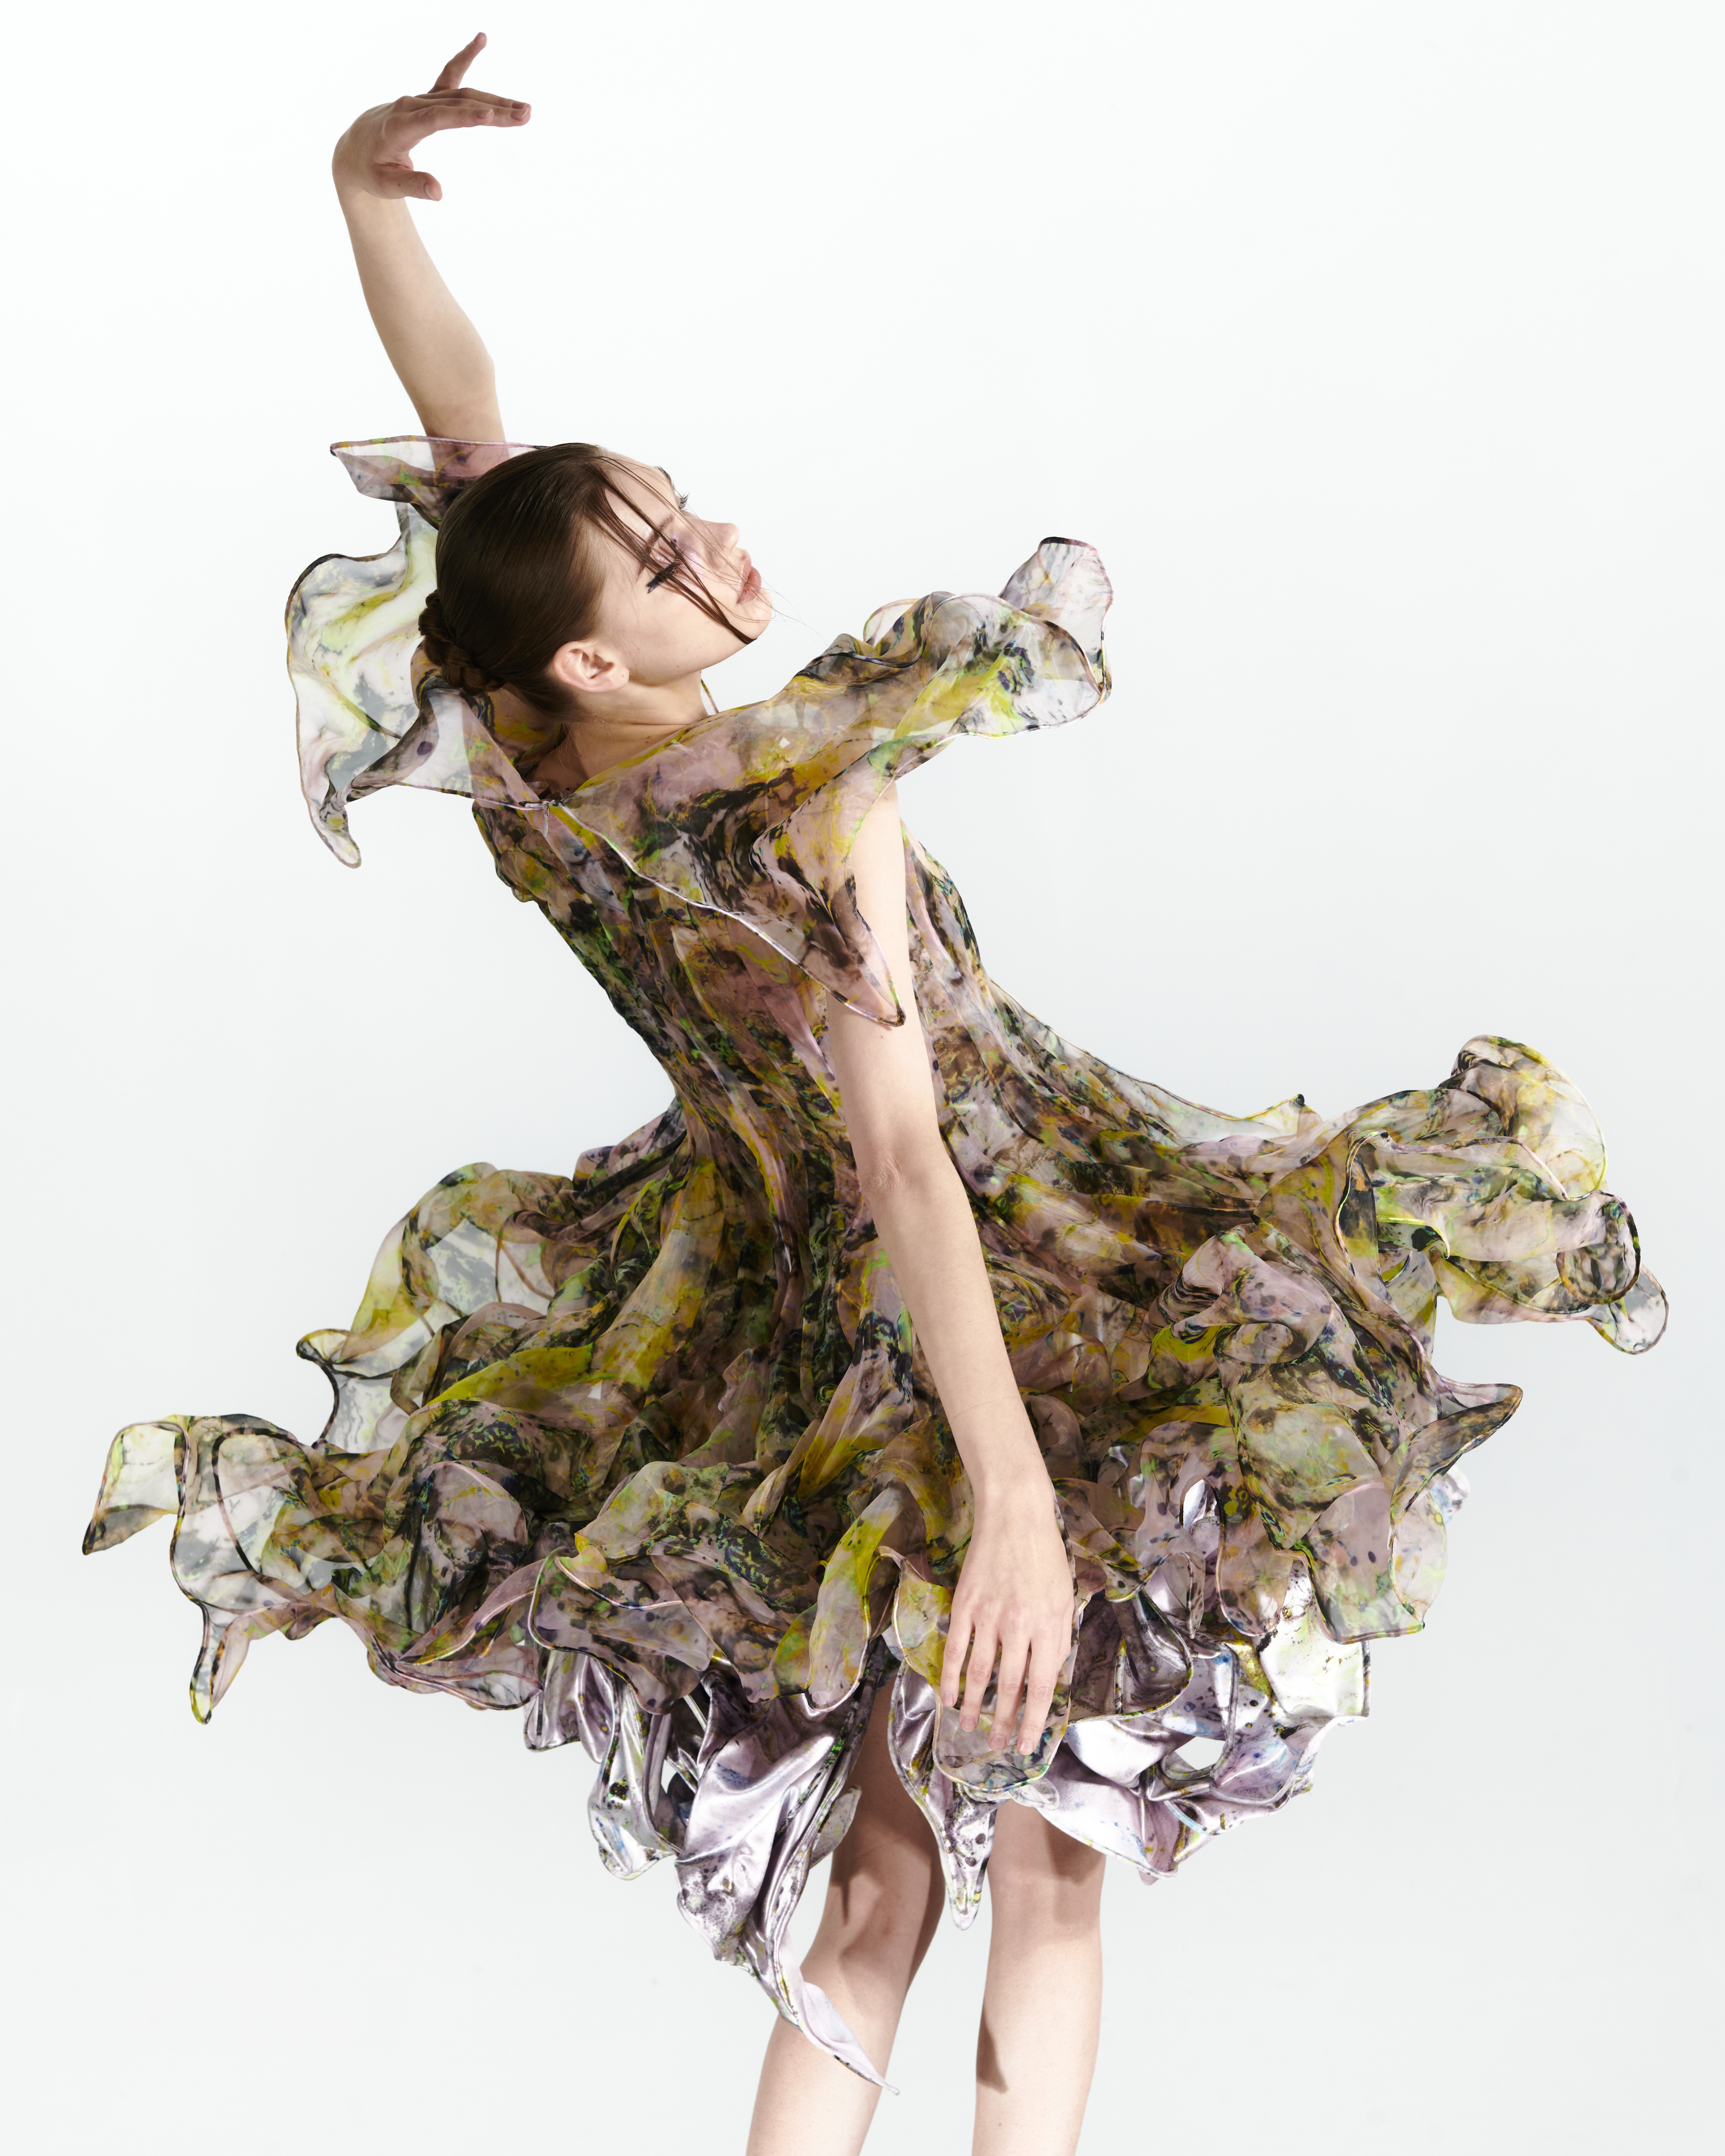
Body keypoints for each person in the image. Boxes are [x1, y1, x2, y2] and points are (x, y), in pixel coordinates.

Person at [82, 35, 1667, 2156]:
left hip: (777, 1305)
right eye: (667, 557)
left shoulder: (535, 768)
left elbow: (478, 464)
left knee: (889, 1881)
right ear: (597, 657)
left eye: (674, 502)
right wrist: (1011, 1499)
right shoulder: (815, 808)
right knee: (1048, 1850)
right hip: (1006, 1286)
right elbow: (915, 1162)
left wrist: (367, 196)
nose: (717, 543)